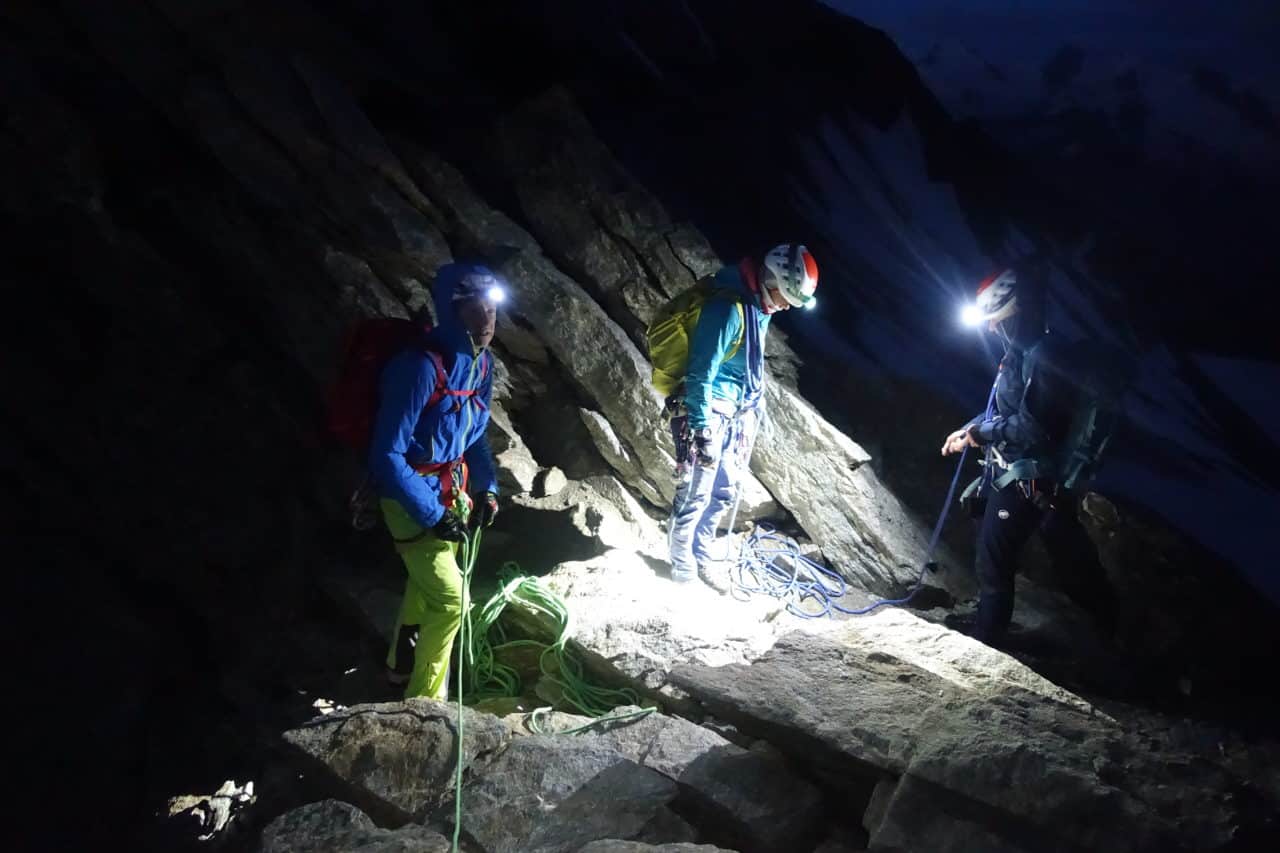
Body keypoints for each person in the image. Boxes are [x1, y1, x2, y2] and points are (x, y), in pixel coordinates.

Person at [941, 266, 1117, 647]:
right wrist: (969, 428)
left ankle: (986, 644)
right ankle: (990, 624)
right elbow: (1005, 410)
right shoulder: (1022, 352)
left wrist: (979, 433)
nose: (989, 328)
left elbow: (1032, 428)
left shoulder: (1043, 356)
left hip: (1028, 478)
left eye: (993, 318)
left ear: (1011, 309)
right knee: (994, 552)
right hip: (1012, 471)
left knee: (995, 564)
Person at [368, 262, 503, 699]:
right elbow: (386, 454)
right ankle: (424, 703)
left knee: (424, 587)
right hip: (407, 497)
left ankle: (398, 668)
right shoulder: (419, 369)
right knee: (452, 601)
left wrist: (487, 488)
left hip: (451, 492)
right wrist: (430, 514)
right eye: (475, 311)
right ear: (452, 311)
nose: (487, 322)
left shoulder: (482, 367)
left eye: (493, 310)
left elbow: (475, 439)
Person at [667, 243, 818, 591]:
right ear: (772, 279)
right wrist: (702, 428)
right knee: (696, 490)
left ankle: (701, 554)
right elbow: (700, 372)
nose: (785, 306)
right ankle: (681, 563)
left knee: (723, 490)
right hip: (709, 410)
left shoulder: (758, 307)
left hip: (734, 410)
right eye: (786, 297)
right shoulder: (728, 308)